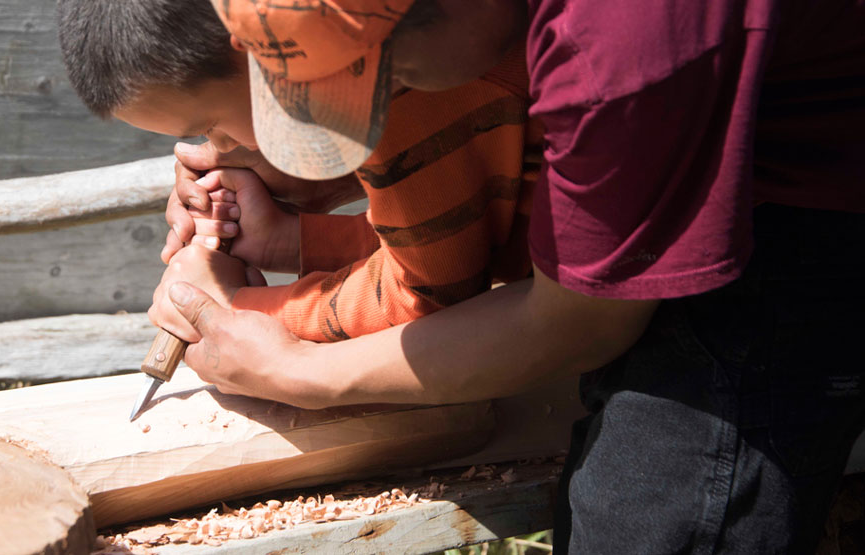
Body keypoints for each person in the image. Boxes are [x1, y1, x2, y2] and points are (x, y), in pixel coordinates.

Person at [153, 0, 865, 552]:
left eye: (389, 82)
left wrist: (296, 370)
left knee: (649, 521)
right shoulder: (544, 46)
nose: (387, 117)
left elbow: (573, 323)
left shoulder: (615, 54)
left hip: (811, 195)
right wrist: (306, 209)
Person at [56, 0, 537, 343]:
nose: (219, 150)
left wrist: (239, 308)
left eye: (210, 126)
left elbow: (431, 298)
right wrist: (294, 240)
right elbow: (468, 236)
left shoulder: (400, 80)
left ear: (258, 49)